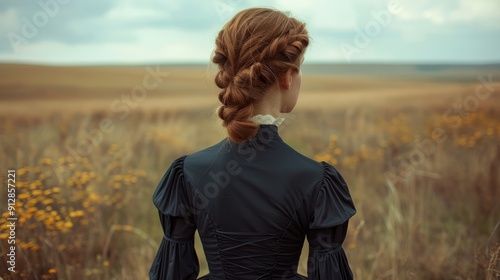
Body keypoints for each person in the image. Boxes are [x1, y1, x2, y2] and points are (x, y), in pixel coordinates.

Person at [149, 7, 356, 280]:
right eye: (300, 68)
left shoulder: (187, 172)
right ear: (287, 77)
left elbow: (171, 273)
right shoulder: (316, 179)